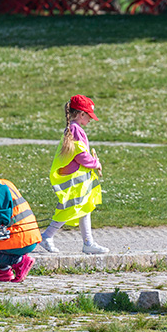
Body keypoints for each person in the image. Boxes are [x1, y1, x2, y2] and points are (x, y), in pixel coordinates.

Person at [38, 95, 107, 255]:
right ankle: (47, 236)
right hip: (76, 179)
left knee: (84, 208)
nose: (90, 119)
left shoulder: (74, 129)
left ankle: (88, 242)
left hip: (80, 179)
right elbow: (80, 155)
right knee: (70, 208)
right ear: (81, 114)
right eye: (89, 116)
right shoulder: (75, 129)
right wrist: (95, 163)